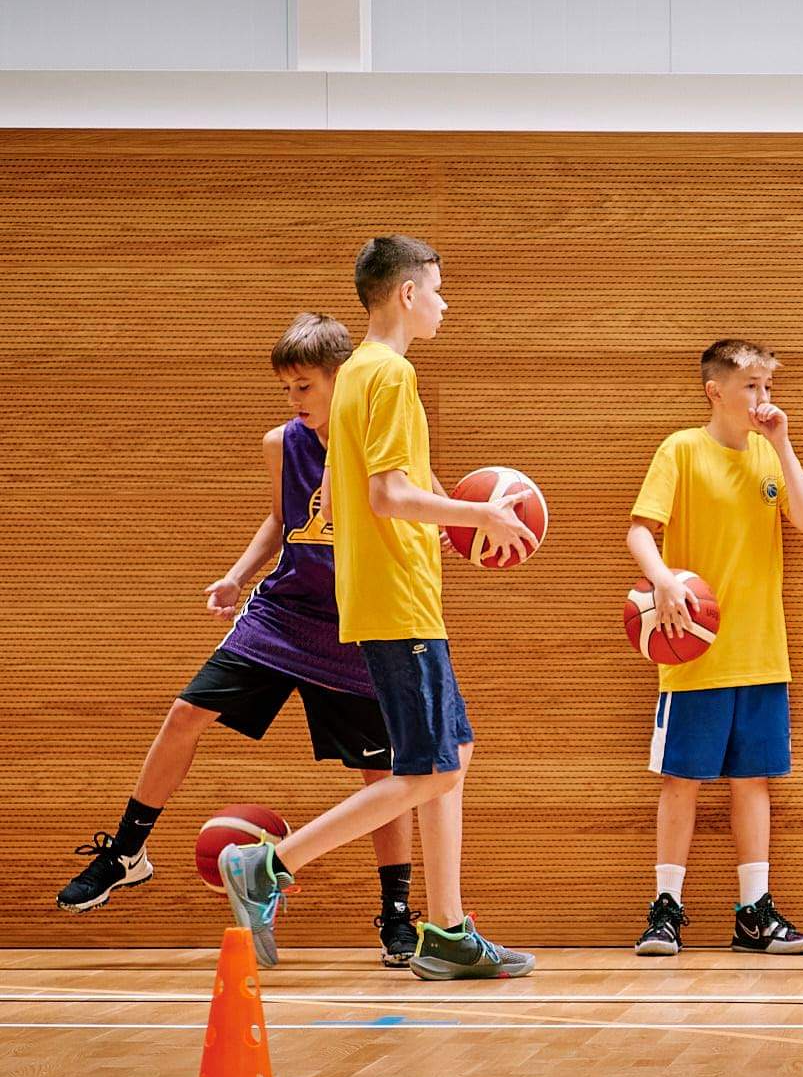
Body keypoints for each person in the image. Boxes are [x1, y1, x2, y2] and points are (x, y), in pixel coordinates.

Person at [57, 314, 420, 966]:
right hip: (282, 614)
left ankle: (397, 914)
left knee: (381, 773)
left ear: (343, 380)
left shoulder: (381, 437)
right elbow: (283, 519)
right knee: (185, 713)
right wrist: (234, 575)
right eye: (286, 389)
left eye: (304, 386)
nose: (293, 400)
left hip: (356, 623)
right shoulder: (282, 443)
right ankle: (125, 852)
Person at [219, 236, 537, 979]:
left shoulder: (358, 374)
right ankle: (267, 864)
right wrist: (476, 517)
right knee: (427, 768)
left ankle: (449, 928)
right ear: (406, 294)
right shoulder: (389, 375)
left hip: (393, 594)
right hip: (398, 601)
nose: (444, 303)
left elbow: (345, 492)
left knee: (451, 756)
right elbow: (388, 495)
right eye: (437, 289)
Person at [627, 339, 803, 956]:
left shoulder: (769, 455)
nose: (762, 400)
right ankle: (666, 909)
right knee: (681, 780)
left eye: (768, 388)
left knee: (752, 782)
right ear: (716, 391)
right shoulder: (681, 449)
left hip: (762, 651)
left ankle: (753, 913)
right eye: (751, 388)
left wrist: (785, 443)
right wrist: (662, 579)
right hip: (693, 649)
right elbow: (640, 529)